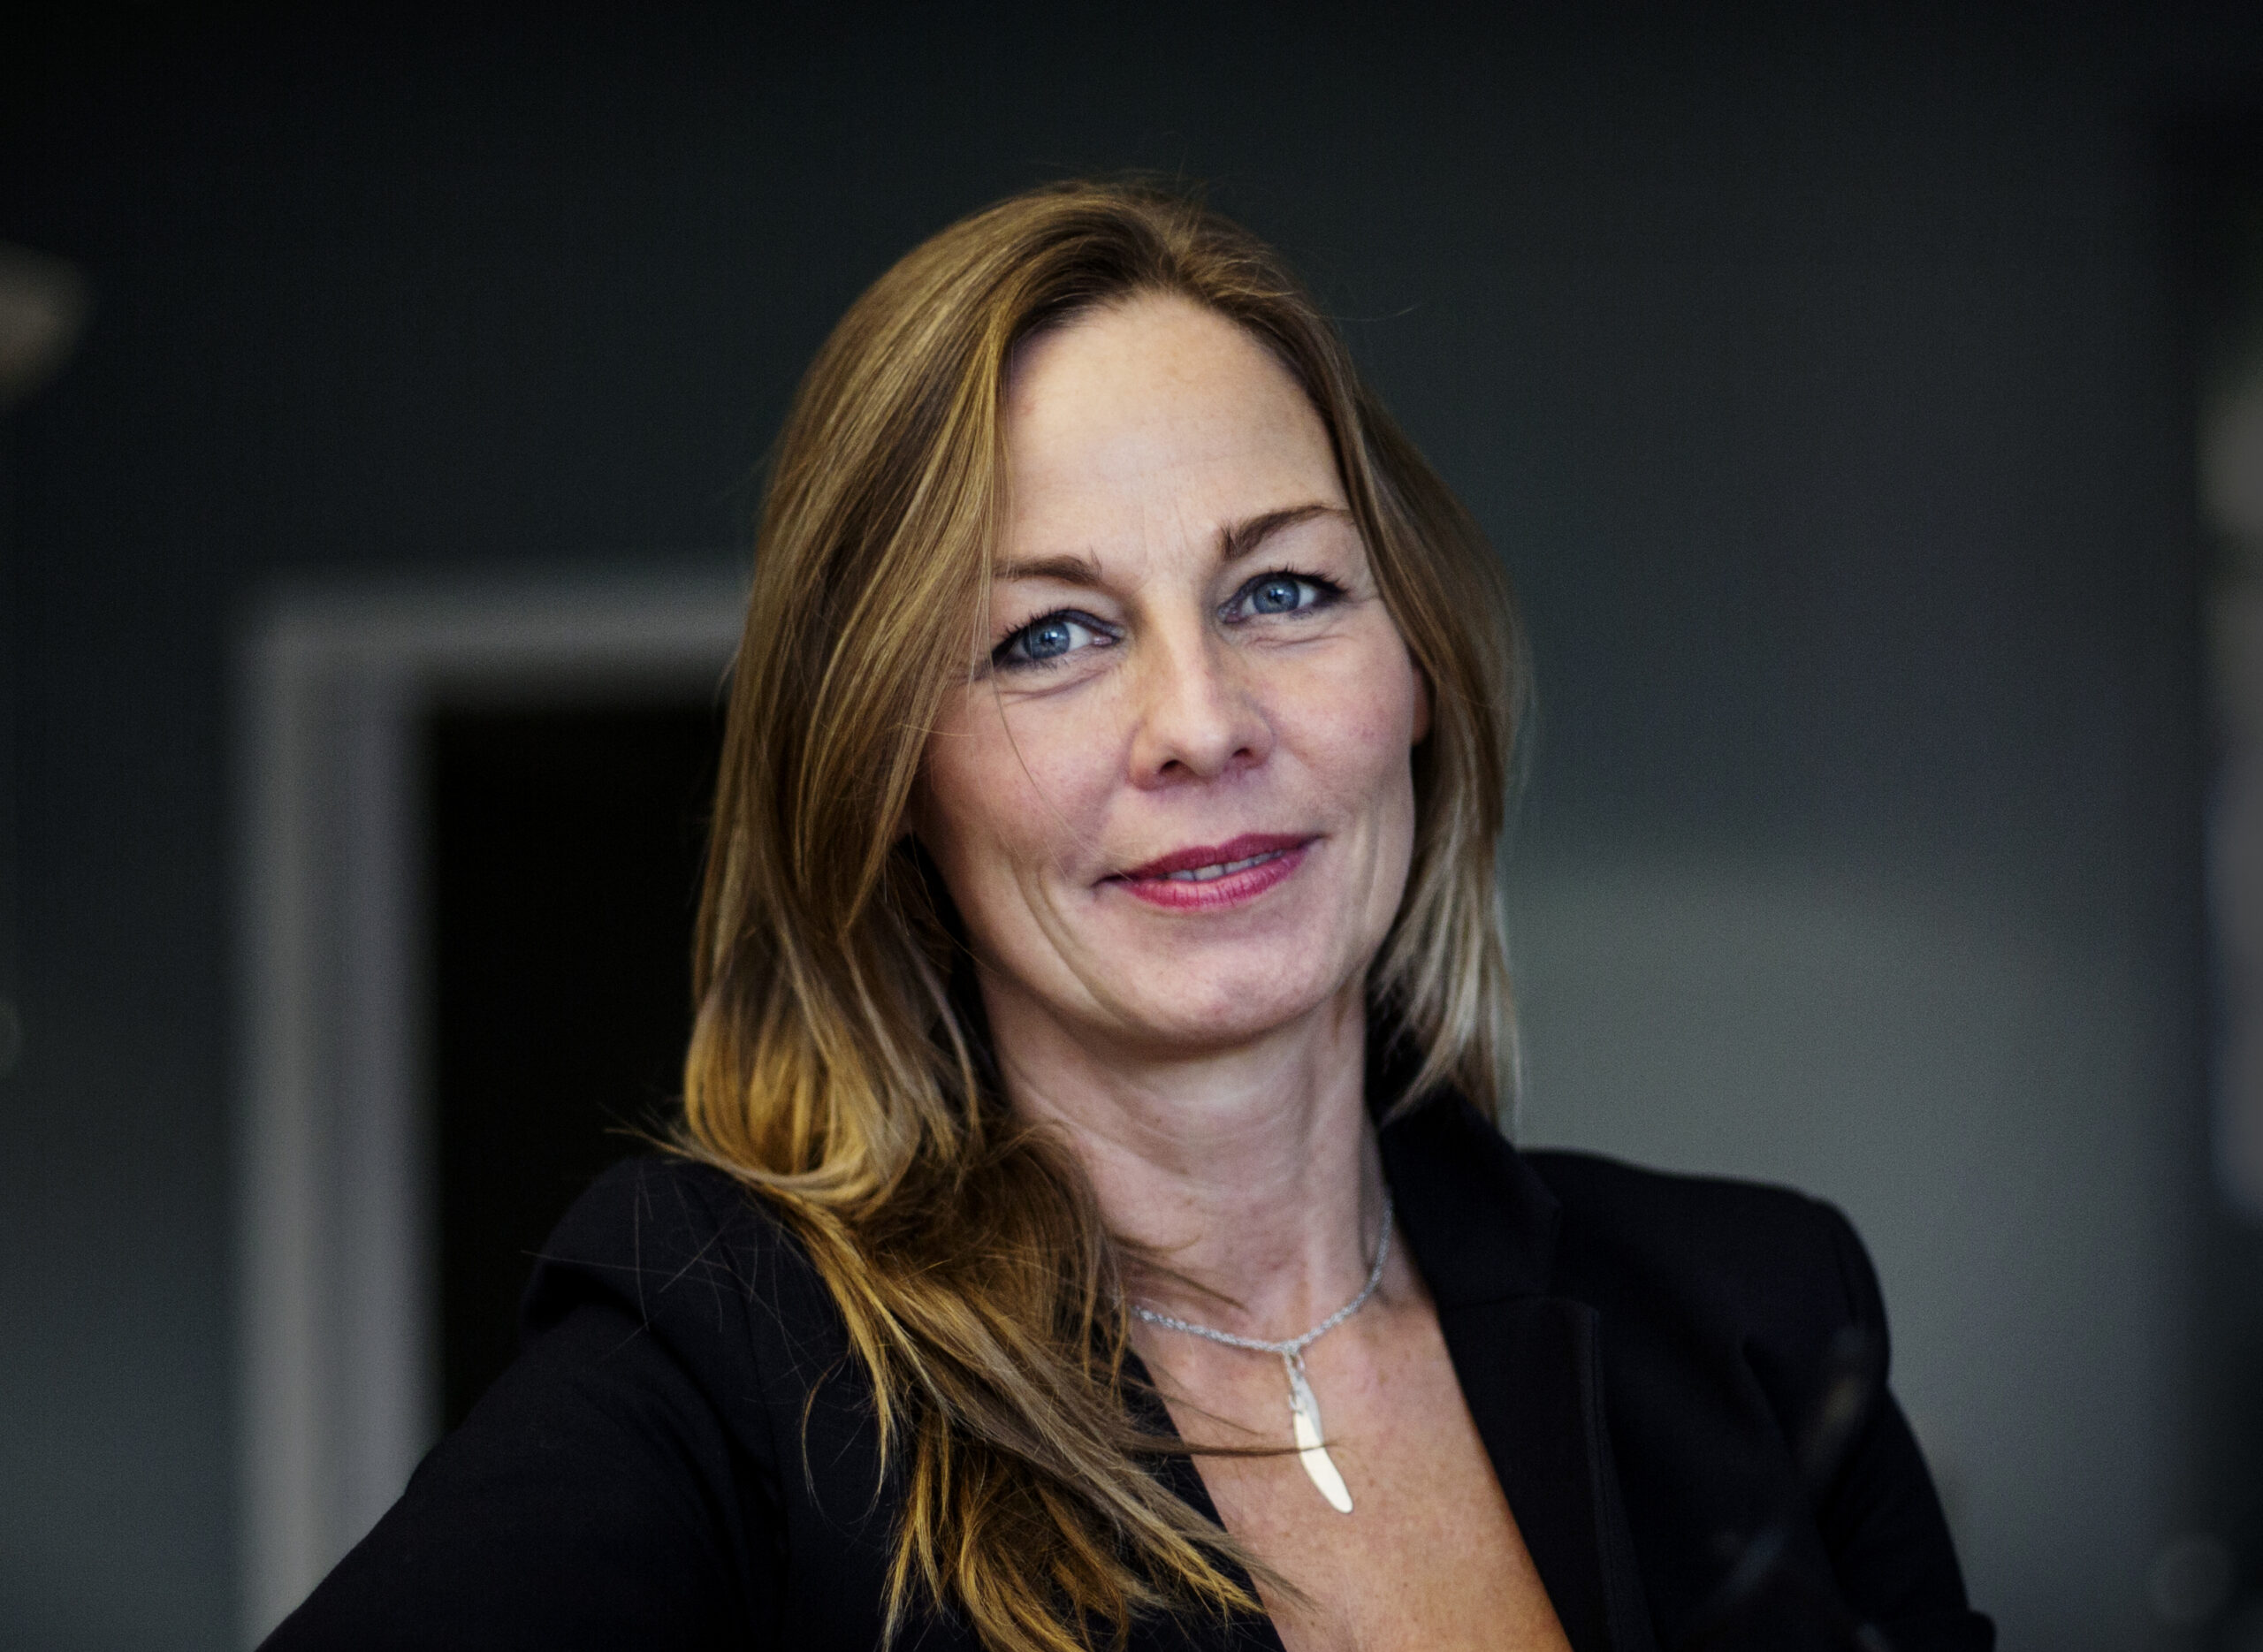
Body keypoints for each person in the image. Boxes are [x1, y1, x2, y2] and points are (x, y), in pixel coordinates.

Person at [263, 180, 1992, 1652]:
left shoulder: (1757, 1321)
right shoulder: (729, 1361)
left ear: (1415, 678)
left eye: (1284, 588)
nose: (1201, 719)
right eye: (1049, 636)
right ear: (892, 774)